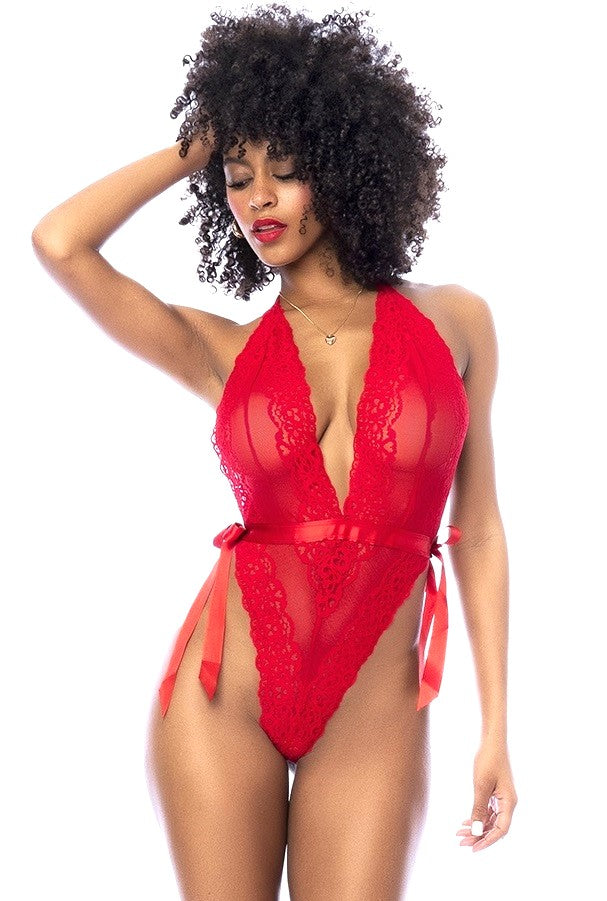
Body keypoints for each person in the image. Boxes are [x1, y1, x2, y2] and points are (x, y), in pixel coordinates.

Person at [31, 5, 517, 898]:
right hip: (223, 697)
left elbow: (476, 532)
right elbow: (59, 243)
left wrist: (495, 729)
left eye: (285, 172)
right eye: (235, 177)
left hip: (372, 712)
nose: (256, 199)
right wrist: (200, 140)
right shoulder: (223, 349)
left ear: (343, 165)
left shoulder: (457, 321)